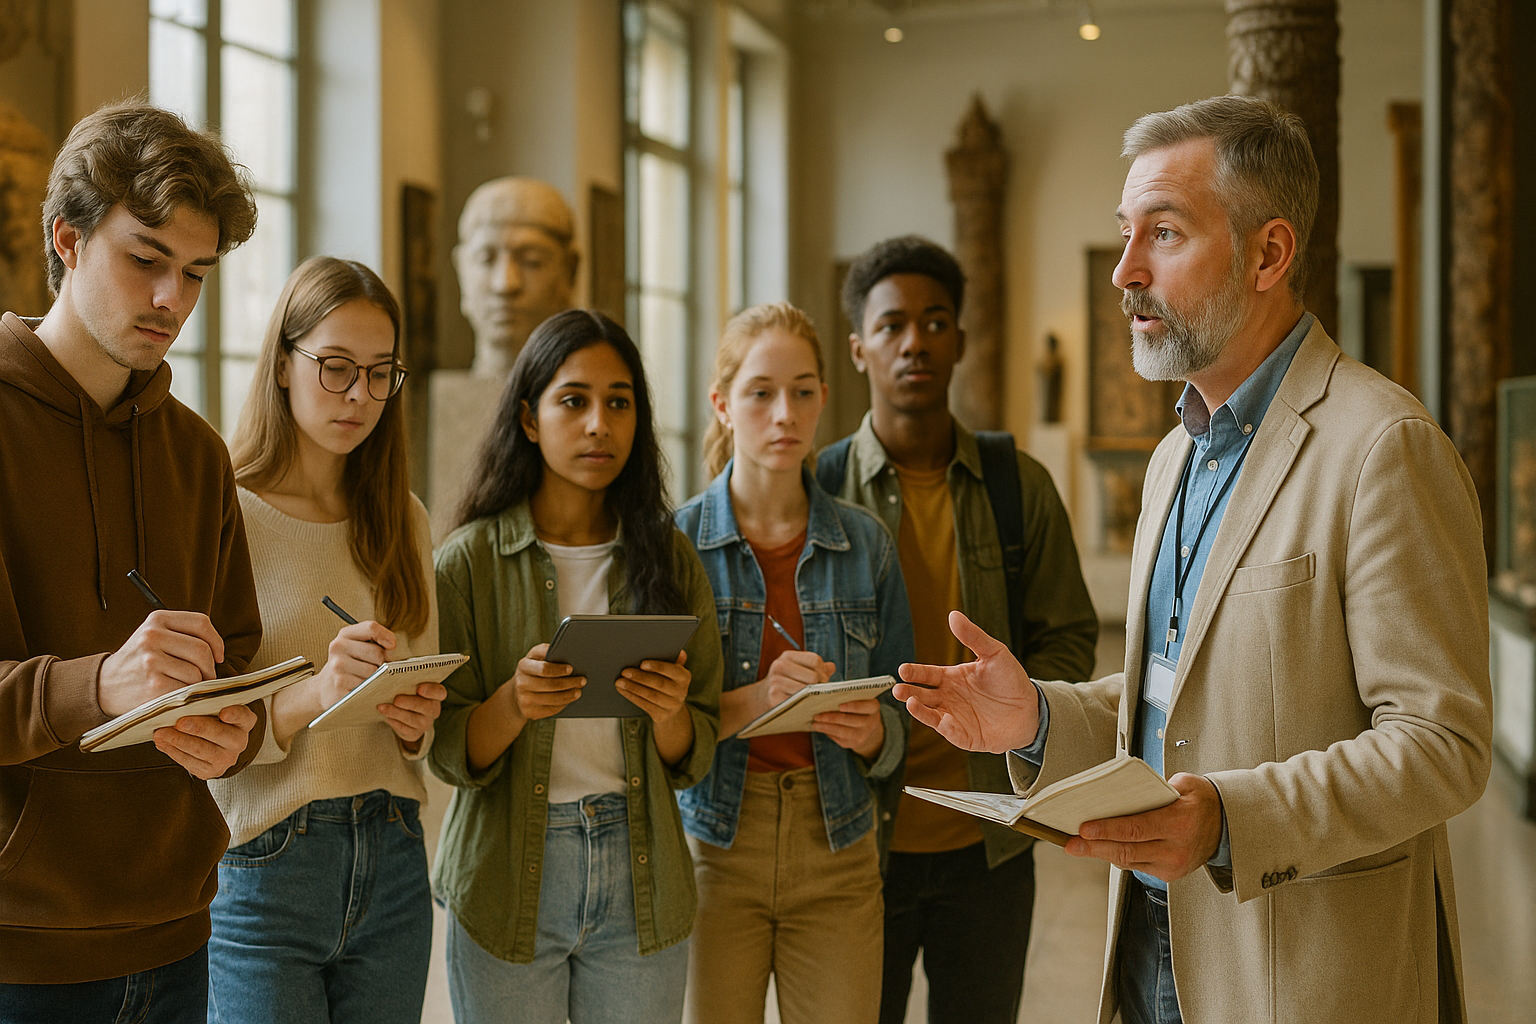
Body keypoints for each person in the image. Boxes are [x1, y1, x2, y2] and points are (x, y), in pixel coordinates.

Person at [893, 95, 1492, 1024]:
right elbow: (1174, 702)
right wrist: (1041, 718)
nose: (1126, 272)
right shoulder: (1176, 454)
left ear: (1268, 255)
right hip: (1150, 943)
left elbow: (1441, 746)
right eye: (1124, 234)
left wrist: (1228, 819)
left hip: (1302, 965)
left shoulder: (1384, 447)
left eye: (1163, 234)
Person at [0, 101, 263, 1020]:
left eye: (196, 273)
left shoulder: (196, 455)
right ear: (67, 241)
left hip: (179, 928)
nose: (174, 301)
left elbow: (240, 668)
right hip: (21, 950)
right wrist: (101, 685)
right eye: (146, 260)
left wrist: (237, 729)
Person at [820, 235, 1098, 1024]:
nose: (915, 342)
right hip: (852, 849)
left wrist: (1011, 716)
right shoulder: (820, 490)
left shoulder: (1017, 485)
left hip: (989, 846)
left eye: (936, 322)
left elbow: (1069, 637)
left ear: (961, 342)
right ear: (859, 348)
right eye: (892, 325)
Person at [429, 309, 723, 1024]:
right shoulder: (467, 560)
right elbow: (445, 749)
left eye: (618, 403)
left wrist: (670, 714)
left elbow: (698, 750)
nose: (599, 423)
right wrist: (514, 703)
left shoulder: (669, 556)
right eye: (574, 401)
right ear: (529, 419)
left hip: (640, 868)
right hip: (505, 875)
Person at [204, 256, 445, 1023]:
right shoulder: (224, 513)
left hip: (396, 854)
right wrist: (314, 693)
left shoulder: (402, 517)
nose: (358, 397)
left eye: (380, 375)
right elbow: (197, 732)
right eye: (335, 368)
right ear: (281, 363)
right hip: (267, 861)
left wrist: (414, 722)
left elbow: (422, 713)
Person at [674, 302, 915, 1024]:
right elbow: (655, 730)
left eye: (803, 391)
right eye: (761, 393)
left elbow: (902, 712)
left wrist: (872, 734)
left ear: (823, 400)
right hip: (715, 842)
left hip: (838, 840)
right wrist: (757, 702)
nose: (785, 413)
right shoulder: (677, 543)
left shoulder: (866, 544)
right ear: (721, 403)